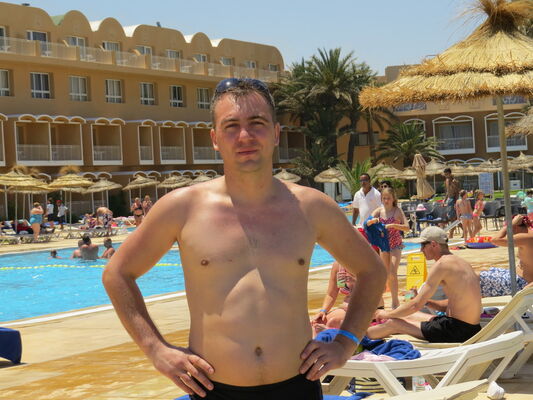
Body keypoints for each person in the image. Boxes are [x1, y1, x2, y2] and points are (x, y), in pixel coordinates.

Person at [103, 78, 386, 399]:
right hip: (214, 390)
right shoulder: (182, 208)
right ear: (214, 138)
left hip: (297, 386)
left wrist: (345, 343)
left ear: (276, 133)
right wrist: (156, 349)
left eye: (257, 123)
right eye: (231, 126)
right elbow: (117, 274)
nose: (245, 136)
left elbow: (372, 271)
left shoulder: (312, 207)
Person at [367, 226, 482, 343]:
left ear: (433, 244)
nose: (421, 250)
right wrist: (427, 302)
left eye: (423, 245)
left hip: (457, 331)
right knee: (409, 315)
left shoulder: (441, 265)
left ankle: (360, 337)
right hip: (469, 328)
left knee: (393, 323)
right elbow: (454, 303)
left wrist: (386, 314)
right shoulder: (461, 262)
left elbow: (415, 306)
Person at [366, 187, 410, 309]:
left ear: (393, 199)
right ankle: (380, 301)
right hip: (383, 245)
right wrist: (372, 221)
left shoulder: (397, 211)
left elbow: (407, 227)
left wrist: (394, 225)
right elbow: (366, 223)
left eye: (388, 198)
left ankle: (395, 302)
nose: (386, 201)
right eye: (384, 198)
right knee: (384, 274)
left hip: (395, 244)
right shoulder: (379, 211)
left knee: (392, 273)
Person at [478, 215, 533, 296]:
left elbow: (495, 240)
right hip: (519, 279)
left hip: (518, 283)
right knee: (483, 270)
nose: (511, 234)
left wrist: (510, 224)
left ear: (515, 228)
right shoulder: (529, 236)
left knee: (476, 277)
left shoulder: (527, 237)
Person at [442, 168, 460, 238]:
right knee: (452, 218)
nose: (446, 176)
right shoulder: (446, 181)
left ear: (450, 173)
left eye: (447, 174)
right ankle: (462, 231)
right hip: (449, 200)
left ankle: (451, 234)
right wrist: (444, 200)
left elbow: (457, 193)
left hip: (453, 200)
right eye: (445, 174)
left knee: (453, 218)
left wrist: (456, 203)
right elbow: (447, 192)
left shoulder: (454, 181)